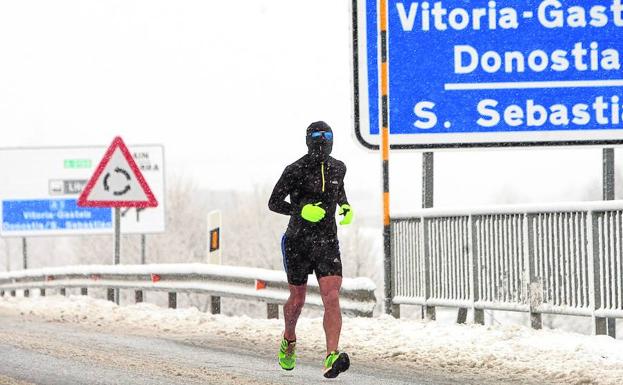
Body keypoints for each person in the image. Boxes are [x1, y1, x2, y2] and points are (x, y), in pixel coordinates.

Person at [268, 121, 354, 378]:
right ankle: (289, 339)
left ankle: (331, 356)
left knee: (332, 296)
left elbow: (338, 191)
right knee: (297, 301)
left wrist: (346, 206)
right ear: (308, 140)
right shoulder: (294, 170)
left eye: (326, 136)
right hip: (298, 242)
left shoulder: (339, 167)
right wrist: (300, 210)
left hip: (327, 242)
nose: (322, 141)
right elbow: (273, 203)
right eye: (317, 137)